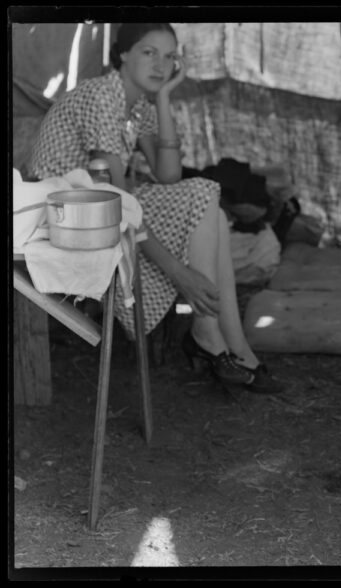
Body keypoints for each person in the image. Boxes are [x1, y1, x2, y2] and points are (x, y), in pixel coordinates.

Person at [28, 23, 282, 394]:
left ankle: (232, 344)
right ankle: (210, 335)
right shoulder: (102, 95)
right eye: (149, 52)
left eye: (169, 57)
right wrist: (179, 273)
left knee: (212, 209)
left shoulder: (137, 105)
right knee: (203, 195)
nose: (160, 65)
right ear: (123, 54)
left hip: (92, 209)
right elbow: (115, 202)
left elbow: (168, 174)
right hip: (60, 217)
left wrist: (163, 98)